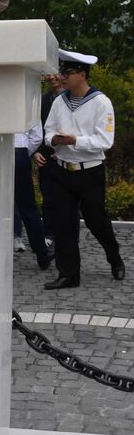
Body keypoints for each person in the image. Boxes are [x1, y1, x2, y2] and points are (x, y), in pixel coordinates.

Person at [43, 50, 125, 290]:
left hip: (89, 172)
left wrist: (75, 141)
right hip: (61, 171)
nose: (62, 77)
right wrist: (54, 140)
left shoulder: (101, 102)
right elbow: (47, 130)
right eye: (61, 72)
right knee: (63, 223)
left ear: (82, 74)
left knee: (96, 220)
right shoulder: (60, 101)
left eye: (66, 72)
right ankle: (68, 275)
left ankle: (114, 256)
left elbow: (105, 141)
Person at [14, 124, 54, 270]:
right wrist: (25, 152)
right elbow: (37, 137)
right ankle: (42, 254)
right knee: (28, 207)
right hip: (19, 152)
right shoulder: (28, 100)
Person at [33, 72, 65, 247]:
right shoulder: (41, 100)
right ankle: (48, 233)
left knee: (69, 199)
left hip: (69, 156)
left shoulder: (74, 99)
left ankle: (66, 234)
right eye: (48, 74)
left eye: (56, 73)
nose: (52, 77)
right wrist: (35, 152)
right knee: (48, 198)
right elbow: (33, 128)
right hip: (46, 157)